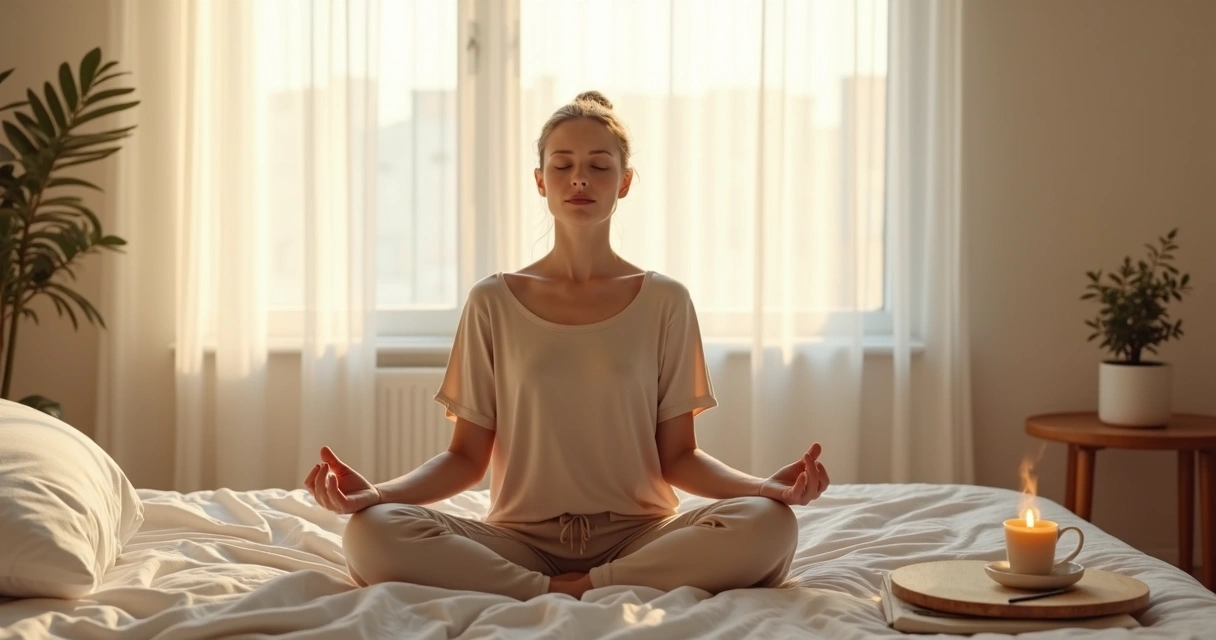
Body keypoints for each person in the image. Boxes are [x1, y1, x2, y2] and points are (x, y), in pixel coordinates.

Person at [304, 91, 831, 601]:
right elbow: (465, 458)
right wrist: (378, 495)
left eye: (600, 166)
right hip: (517, 542)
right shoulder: (493, 301)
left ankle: (588, 586)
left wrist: (765, 490)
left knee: (769, 525)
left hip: (640, 536)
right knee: (370, 533)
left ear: (624, 183)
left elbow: (679, 456)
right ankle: (555, 588)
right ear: (540, 182)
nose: (580, 177)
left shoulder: (665, 301)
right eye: (562, 165)